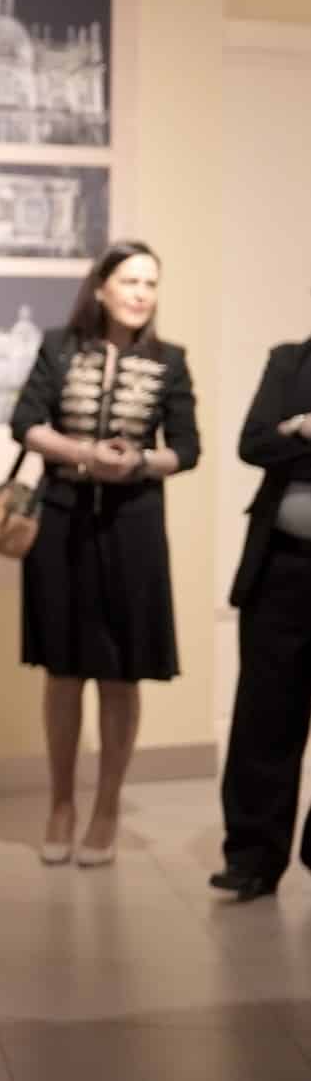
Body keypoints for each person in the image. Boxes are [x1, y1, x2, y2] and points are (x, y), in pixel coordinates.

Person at [8, 241, 198, 867]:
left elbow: (187, 450)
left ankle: (108, 807)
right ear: (102, 287)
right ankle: (61, 802)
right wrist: (83, 454)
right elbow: (25, 423)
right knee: (63, 670)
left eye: (151, 282)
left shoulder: (171, 361)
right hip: (62, 522)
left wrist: (140, 461)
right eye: (131, 280)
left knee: (121, 673)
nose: (142, 293)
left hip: (133, 525)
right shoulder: (60, 346)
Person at [213, 335, 311, 900]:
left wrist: (295, 430)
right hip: (278, 571)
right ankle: (252, 857)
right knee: (264, 717)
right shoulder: (288, 360)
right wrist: (297, 432)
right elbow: (252, 443)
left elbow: (275, 442)